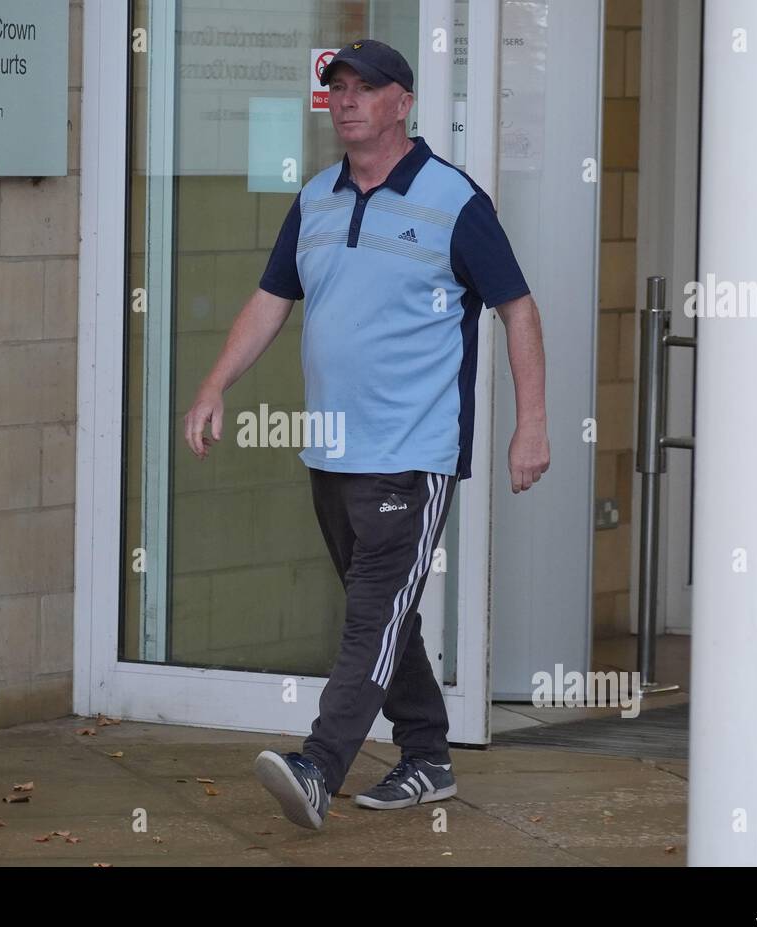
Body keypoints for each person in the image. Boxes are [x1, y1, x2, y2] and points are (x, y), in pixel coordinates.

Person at [182, 38, 549, 831]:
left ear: (402, 102)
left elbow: (518, 307)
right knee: (386, 614)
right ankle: (428, 758)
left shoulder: (455, 201)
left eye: (364, 88)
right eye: (337, 88)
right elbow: (270, 301)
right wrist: (214, 385)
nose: (346, 100)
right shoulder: (315, 197)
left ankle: (319, 764)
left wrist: (533, 424)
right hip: (332, 447)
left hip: (412, 455)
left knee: (368, 620)